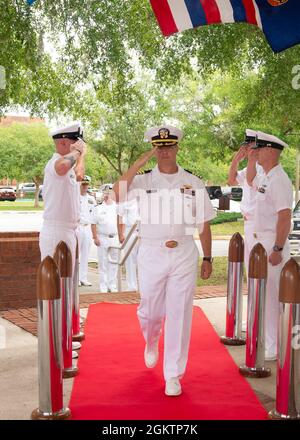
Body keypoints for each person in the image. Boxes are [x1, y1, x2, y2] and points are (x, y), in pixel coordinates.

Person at [114, 125, 215, 396]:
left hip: (183, 252)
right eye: (159, 147)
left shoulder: (193, 182)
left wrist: (207, 257)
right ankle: (151, 338)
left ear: (177, 148)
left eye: (169, 146)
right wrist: (137, 164)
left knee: (180, 313)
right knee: (149, 310)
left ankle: (173, 374)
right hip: (151, 252)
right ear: (154, 149)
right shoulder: (143, 182)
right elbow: (116, 194)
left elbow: (204, 224)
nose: (165, 151)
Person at [39, 121, 87, 354]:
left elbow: (79, 175)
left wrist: (80, 155)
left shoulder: (69, 165)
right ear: (64, 142)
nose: (77, 147)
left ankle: (63, 338)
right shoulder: (55, 164)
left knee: (66, 289)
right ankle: (55, 345)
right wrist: (78, 152)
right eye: (73, 143)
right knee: (56, 290)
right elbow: (61, 168)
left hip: (69, 230)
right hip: (56, 231)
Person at [247, 131, 293, 361]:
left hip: (271, 243)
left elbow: (285, 217)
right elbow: (248, 179)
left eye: (260, 149)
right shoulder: (267, 176)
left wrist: (277, 248)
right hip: (260, 241)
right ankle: (268, 340)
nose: (257, 152)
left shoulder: (279, 179)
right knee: (263, 296)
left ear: (271, 151)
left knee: (273, 297)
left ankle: (274, 347)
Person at [92, 184, 119, 293]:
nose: (107, 194)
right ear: (102, 193)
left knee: (114, 263)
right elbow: (93, 224)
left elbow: (121, 222)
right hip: (102, 237)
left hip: (115, 237)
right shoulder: (98, 208)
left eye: (109, 192)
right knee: (103, 263)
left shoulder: (117, 207)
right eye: (105, 192)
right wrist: (95, 237)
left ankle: (112, 285)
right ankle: (103, 286)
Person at [117, 198, 139, 291]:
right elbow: (119, 217)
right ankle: (132, 286)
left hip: (144, 231)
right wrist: (120, 234)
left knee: (144, 260)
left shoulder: (146, 197)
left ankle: (144, 286)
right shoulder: (126, 200)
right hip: (130, 231)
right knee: (130, 260)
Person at [79, 175, 96, 287]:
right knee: (76, 255)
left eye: (86, 184)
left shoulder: (91, 199)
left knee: (85, 254)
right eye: (83, 184)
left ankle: (83, 278)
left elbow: (94, 215)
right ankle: (75, 279)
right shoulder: (75, 197)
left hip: (87, 227)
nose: (85, 187)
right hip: (77, 227)